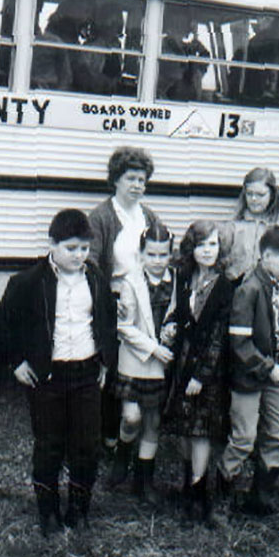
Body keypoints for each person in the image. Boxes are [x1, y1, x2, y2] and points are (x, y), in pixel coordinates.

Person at [0, 209, 117, 536]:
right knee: (49, 444)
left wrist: (105, 360)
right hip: (48, 377)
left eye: (84, 249)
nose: (79, 256)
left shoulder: (95, 279)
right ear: (53, 244)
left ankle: (79, 510)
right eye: (71, 248)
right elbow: (3, 322)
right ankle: (48, 512)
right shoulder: (29, 282)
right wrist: (17, 362)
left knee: (87, 445)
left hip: (86, 373)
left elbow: (107, 320)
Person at [216, 226, 279, 516]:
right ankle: (221, 492)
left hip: (274, 376)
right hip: (249, 377)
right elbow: (239, 343)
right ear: (266, 257)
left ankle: (260, 495)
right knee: (243, 438)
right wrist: (267, 368)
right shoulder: (249, 289)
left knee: (278, 433)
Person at [88, 147, 161, 455]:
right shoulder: (102, 216)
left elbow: (162, 253)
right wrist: (106, 300)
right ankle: (109, 435)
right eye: (130, 178)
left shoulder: (148, 216)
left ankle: (137, 433)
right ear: (116, 180)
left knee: (140, 363)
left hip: (144, 301)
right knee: (113, 366)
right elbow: (90, 262)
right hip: (114, 300)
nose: (136, 185)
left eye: (142, 180)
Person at [163, 220, 233, 523]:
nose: (208, 251)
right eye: (202, 245)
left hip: (208, 368)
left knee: (201, 429)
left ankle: (199, 492)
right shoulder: (186, 276)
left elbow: (219, 336)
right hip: (183, 361)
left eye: (213, 245)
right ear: (192, 248)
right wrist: (170, 326)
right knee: (185, 427)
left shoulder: (224, 284)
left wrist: (200, 376)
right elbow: (180, 313)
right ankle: (188, 482)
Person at [109, 223, 176, 505]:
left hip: (163, 362)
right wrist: (153, 348)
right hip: (136, 358)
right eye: (152, 255)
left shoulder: (177, 282)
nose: (158, 261)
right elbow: (124, 326)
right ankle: (122, 451)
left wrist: (173, 329)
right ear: (141, 255)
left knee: (153, 420)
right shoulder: (131, 281)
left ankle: (143, 478)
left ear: (170, 255)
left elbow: (179, 314)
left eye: (163, 255)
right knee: (132, 417)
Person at [224, 167, 279, 283]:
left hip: (268, 288)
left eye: (260, 195)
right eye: (249, 194)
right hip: (236, 287)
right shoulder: (234, 226)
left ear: (272, 195)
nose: (254, 199)